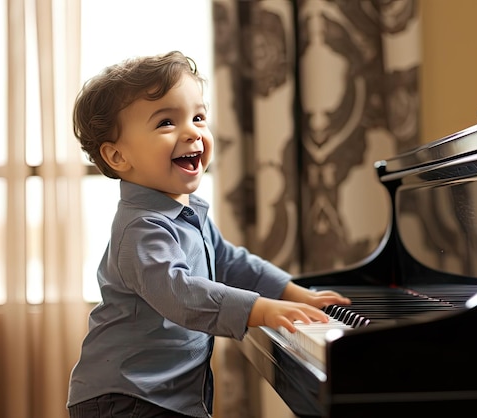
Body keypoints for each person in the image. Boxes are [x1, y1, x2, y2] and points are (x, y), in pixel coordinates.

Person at [66, 50, 351, 418]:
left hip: (163, 394)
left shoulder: (188, 212)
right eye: (166, 122)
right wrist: (260, 309)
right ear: (119, 157)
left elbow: (232, 262)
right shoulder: (140, 228)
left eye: (199, 117)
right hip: (127, 398)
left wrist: (293, 292)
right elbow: (180, 293)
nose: (193, 132)